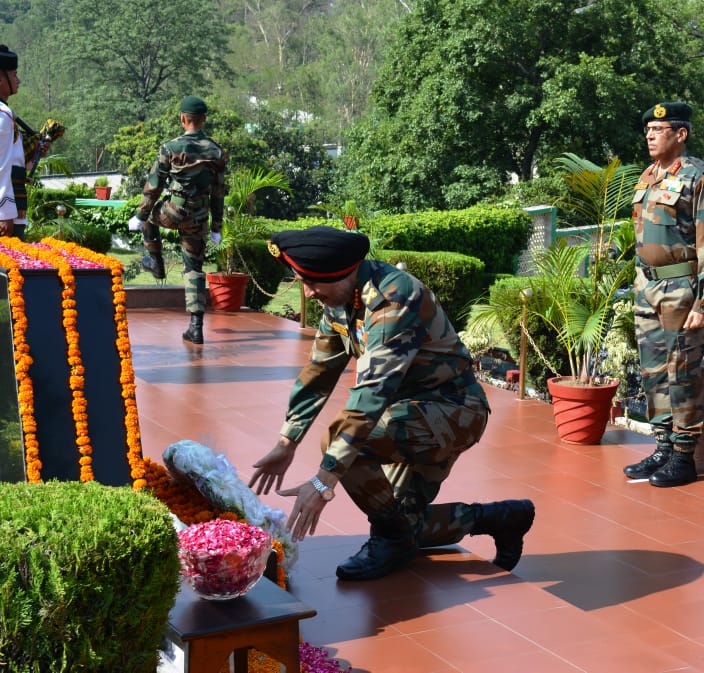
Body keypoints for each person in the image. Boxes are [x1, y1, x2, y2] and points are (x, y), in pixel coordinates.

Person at [248, 227, 535, 581]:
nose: (307, 292)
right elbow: (319, 373)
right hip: (405, 415)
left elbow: (370, 394)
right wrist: (286, 442)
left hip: (452, 411)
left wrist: (324, 482)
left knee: (344, 446)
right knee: (404, 525)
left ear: (344, 273)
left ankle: (390, 538)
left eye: (313, 283)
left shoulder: (392, 300)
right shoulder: (342, 300)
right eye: (302, 281)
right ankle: (502, 517)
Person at [623, 101, 704, 488]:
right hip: (646, 286)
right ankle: (663, 445)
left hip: (680, 288)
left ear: (680, 135)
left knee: (681, 372)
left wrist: (703, 302)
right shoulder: (648, 176)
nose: (649, 134)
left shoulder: (700, 176)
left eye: (658, 129)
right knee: (653, 373)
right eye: (647, 129)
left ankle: (684, 455)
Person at [127, 95, 227, 345]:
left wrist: (139, 216)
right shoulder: (216, 151)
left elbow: (154, 186)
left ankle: (156, 261)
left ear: (183, 119)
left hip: (173, 211)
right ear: (203, 120)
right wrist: (216, 227)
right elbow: (219, 192)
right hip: (199, 217)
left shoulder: (170, 148)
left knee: (150, 213)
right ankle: (196, 327)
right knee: (194, 269)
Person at [0, 44, 27, 240]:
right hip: (7, 211)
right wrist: (4, 213)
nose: (18, 80)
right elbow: (1, 167)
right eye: (14, 74)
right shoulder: (2, 115)